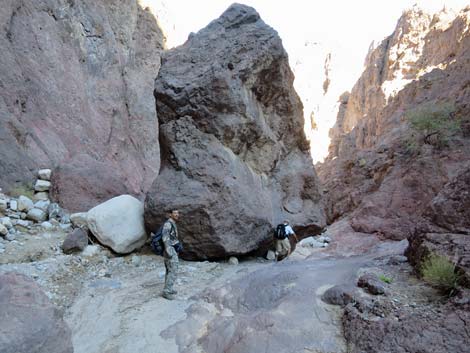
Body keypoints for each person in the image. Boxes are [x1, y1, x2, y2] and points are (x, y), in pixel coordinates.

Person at [161, 209, 182, 300]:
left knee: (169, 270)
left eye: (178, 213)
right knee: (173, 269)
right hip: (169, 250)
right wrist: (169, 251)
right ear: (170, 214)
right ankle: (167, 291)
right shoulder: (168, 224)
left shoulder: (172, 223)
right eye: (175, 213)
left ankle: (168, 288)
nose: (177, 215)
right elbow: (165, 238)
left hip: (171, 249)